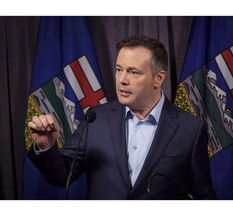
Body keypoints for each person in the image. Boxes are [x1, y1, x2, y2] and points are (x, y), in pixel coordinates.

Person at [27, 35, 216, 200]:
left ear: (158, 78)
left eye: (133, 72)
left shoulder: (190, 129)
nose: (122, 80)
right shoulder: (95, 119)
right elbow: (61, 176)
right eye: (119, 69)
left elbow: (202, 197)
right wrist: (45, 146)